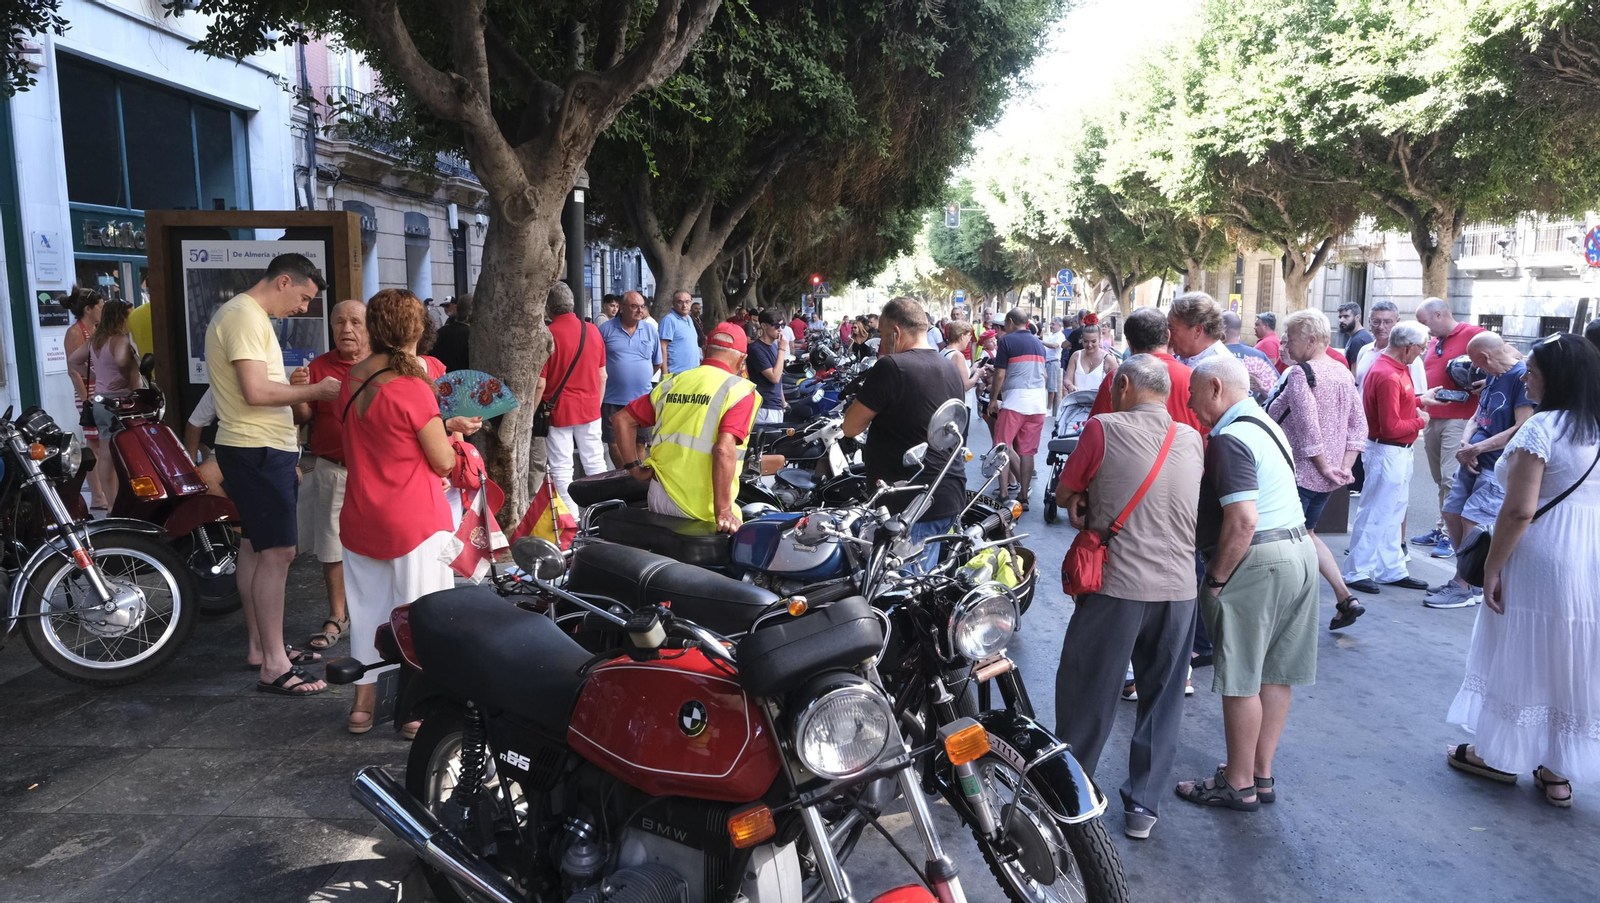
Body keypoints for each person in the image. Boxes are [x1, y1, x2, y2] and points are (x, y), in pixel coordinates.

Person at [1445, 333, 1600, 806]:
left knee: (1521, 648)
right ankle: (1556, 771)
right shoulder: (1593, 427)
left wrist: (1492, 567)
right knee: (1570, 653)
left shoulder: (1541, 429)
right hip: (1589, 554)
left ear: (1557, 378)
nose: (1525, 376)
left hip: (1540, 553)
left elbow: (1517, 512)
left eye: (1532, 370)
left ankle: (1500, 753)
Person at [1054, 354, 1204, 839]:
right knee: (1162, 701)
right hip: (1180, 589)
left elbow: (1063, 492)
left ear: (1121, 386)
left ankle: (1072, 796)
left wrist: (1083, 500)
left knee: (1087, 691)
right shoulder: (1191, 437)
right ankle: (1143, 808)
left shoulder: (1102, 428)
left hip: (1118, 587)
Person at [1176, 355, 1319, 813]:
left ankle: (1237, 784)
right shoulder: (1266, 424)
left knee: (1241, 678)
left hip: (1259, 560)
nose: (1191, 405)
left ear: (1215, 387)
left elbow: (1242, 520)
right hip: (1299, 551)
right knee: (1276, 673)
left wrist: (1217, 578)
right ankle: (1260, 774)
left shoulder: (1229, 438)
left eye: (1194, 395)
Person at [204, 253, 341, 696]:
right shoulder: (245, 316)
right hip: (257, 447)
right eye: (302, 298)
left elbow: (258, 386)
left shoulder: (244, 315)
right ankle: (274, 664)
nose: (302, 309)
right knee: (279, 552)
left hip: (256, 447)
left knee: (255, 546)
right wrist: (315, 390)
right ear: (284, 281)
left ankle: (263, 649)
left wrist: (294, 385)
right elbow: (256, 391)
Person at [337, 289, 457, 734]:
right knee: (421, 615)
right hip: (414, 519)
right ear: (417, 331)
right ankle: (417, 709)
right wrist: (455, 436)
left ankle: (362, 707)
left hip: (360, 514)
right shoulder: (412, 387)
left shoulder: (353, 378)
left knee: (367, 612)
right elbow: (442, 460)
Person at [1265, 310, 1369, 631]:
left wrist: (1326, 465)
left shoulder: (1301, 374)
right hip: (1325, 479)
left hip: (1297, 474)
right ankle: (1344, 596)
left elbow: (1308, 428)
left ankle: (1285, 614)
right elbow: (1358, 426)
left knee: (1282, 542)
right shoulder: (1341, 372)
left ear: (1310, 340)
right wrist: (1342, 468)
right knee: (1307, 535)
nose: (1288, 344)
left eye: (1292, 338)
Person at [843, 298, 965, 567]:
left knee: (899, 594)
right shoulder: (950, 368)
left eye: (885, 337)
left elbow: (850, 427)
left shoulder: (892, 367)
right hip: (946, 493)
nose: (884, 345)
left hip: (910, 505)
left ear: (896, 332)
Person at [611, 323, 759, 533]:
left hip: (659, 494)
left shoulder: (673, 383)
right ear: (742, 359)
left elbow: (621, 420)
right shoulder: (739, 391)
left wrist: (634, 467)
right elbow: (724, 449)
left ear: (705, 350)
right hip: (699, 504)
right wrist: (724, 509)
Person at [1424, 332, 1535, 610]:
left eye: (1476, 363)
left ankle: (1465, 585)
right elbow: (1479, 413)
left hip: (1495, 463)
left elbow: (1523, 427)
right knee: (1451, 512)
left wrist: (1478, 447)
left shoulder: (1520, 379)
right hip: (1474, 458)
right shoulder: (1494, 374)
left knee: (1473, 520)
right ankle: (1468, 576)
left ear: (1485, 357)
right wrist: (1467, 441)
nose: (1476, 369)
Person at [1342, 321, 1443, 594]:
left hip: (1393, 451)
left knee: (1391, 511)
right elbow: (1390, 426)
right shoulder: (1389, 373)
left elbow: (1396, 408)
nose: (1421, 353)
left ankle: (1389, 568)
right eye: (1421, 348)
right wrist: (1421, 421)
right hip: (1388, 449)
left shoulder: (1393, 368)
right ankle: (1358, 570)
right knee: (1377, 511)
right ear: (1408, 347)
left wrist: (1421, 403)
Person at [297, 300, 370, 653]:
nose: (347, 329)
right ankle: (338, 615)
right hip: (332, 470)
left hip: (376, 473)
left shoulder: (381, 366)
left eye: (355, 321)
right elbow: (303, 418)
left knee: (378, 543)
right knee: (331, 546)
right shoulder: (318, 367)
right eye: (339, 322)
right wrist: (300, 391)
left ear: (369, 328)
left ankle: (376, 610)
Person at [1412, 298, 1487, 557]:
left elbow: (1508, 360)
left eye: (1426, 322)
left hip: (1460, 419)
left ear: (1440, 314)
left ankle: (1449, 537)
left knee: (1450, 480)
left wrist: (1487, 381)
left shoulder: (1474, 334)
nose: (1426, 329)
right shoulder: (1435, 342)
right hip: (1434, 418)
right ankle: (1442, 527)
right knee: (1440, 479)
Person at [537, 282, 608, 514]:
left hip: (558, 410)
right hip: (589, 407)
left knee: (561, 466)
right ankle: (600, 513)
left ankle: (571, 519)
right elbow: (602, 375)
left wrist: (532, 413)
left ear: (549, 308)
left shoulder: (548, 335)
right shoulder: (593, 330)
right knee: (595, 462)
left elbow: (541, 383)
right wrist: (595, 406)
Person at [1087, 308, 1205, 435]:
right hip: (1186, 454)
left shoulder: (1116, 379)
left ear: (1129, 344)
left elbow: (1096, 432)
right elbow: (1206, 437)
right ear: (1168, 335)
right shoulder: (1194, 378)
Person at [989, 309, 1050, 509]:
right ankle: (1023, 497)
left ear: (1010, 321)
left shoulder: (1007, 341)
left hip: (1015, 401)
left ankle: (1005, 495)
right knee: (1027, 452)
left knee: (1002, 447)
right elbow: (1044, 375)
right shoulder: (1039, 344)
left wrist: (993, 400)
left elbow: (999, 375)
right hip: (1037, 404)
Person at [599, 290, 662, 467]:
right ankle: (623, 475)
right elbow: (597, 362)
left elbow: (656, 363)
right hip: (613, 398)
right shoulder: (606, 329)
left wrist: (638, 377)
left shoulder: (650, 330)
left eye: (642, 306)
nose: (639, 310)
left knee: (640, 443)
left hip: (642, 398)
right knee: (614, 443)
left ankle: (638, 479)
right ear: (622, 307)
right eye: (634, 306)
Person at [63, 287, 111, 509]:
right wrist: (86, 402)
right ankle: (98, 496)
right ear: (88, 309)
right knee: (94, 445)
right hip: (90, 391)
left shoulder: (99, 329)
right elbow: (73, 371)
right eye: (100, 306)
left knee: (106, 444)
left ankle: (107, 494)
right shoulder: (75, 332)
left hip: (104, 388)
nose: (103, 309)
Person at [68, 298, 140, 446]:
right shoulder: (120, 339)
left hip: (100, 399)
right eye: (129, 316)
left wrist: (97, 376)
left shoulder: (96, 340)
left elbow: (74, 360)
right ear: (121, 318)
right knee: (126, 450)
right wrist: (124, 376)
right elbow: (121, 360)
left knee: (106, 451)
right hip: (120, 401)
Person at [1223, 311, 1279, 402]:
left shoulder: (1268, 343)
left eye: (1257, 325)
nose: (1254, 328)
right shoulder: (1259, 353)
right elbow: (1276, 385)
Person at [749, 308, 789, 424]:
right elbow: (774, 377)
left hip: (776, 406)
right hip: (764, 407)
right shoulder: (756, 349)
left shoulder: (774, 346)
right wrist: (782, 349)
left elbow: (779, 376)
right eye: (776, 326)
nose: (780, 329)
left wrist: (783, 403)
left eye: (782, 325)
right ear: (764, 326)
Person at [1063, 315, 1114, 398]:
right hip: (1077, 405)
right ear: (1081, 340)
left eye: (1093, 341)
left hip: (1099, 407)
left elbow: (1117, 387)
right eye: (1086, 341)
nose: (1089, 345)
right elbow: (1067, 379)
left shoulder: (1108, 360)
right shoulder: (1076, 356)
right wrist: (1070, 385)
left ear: (1100, 339)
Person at [944, 321, 983, 428]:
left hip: (950, 404)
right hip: (961, 404)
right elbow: (965, 385)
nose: (969, 340)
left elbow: (958, 375)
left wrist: (973, 368)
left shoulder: (944, 351)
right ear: (962, 336)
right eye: (969, 336)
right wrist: (978, 374)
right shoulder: (958, 355)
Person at [659, 290, 702, 375]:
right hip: (676, 373)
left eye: (687, 302)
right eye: (680, 302)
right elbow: (662, 348)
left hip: (692, 372)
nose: (684, 305)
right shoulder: (669, 320)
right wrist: (665, 374)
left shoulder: (689, 319)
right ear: (673, 303)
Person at [432, 292, 472, 373]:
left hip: (442, 380)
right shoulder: (472, 336)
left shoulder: (441, 332)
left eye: (448, 306)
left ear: (456, 308)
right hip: (466, 380)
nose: (446, 309)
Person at [1043, 317, 1066, 414]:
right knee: (1048, 385)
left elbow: (1054, 345)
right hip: (1047, 362)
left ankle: (1049, 408)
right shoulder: (1051, 335)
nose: (1051, 326)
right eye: (1051, 324)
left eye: (1053, 324)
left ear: (1059, 325)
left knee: (1052, 386)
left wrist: (1042, 342)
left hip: (1053, 362)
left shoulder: (1060, 336)